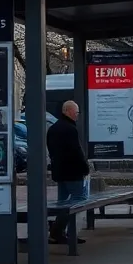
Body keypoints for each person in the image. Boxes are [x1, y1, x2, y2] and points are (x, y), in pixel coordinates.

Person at [46, 100, 90, 244]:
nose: (77, 115)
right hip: (73, 172)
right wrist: (85, 167)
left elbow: (51, 151)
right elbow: (76, 151)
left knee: (63, 202)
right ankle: (59, 230)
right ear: (68, 111)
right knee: (78, 200)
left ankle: (57, 231)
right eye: (76, 112)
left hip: (60, 173)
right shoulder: (70, 129)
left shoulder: (53, 129)